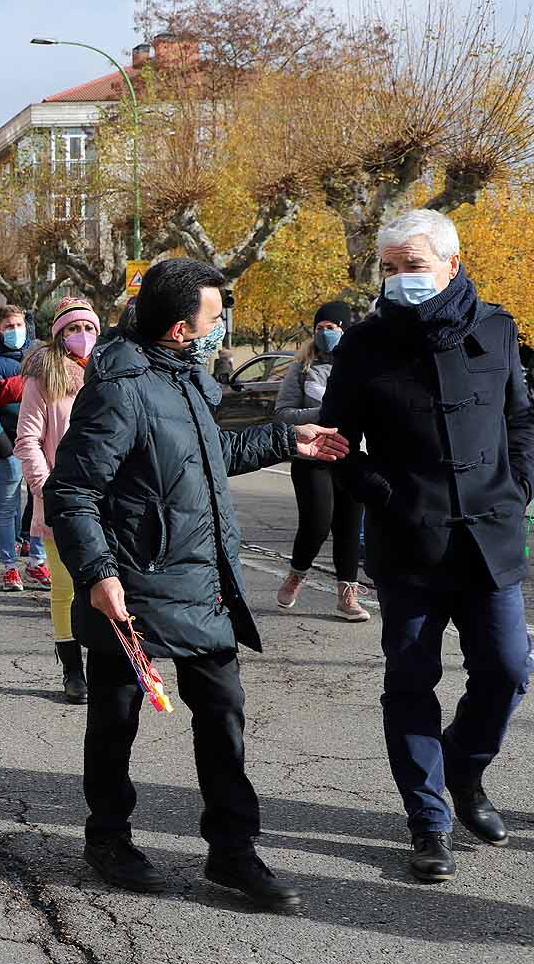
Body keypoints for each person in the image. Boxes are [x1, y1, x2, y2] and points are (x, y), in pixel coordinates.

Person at [45, 259, 348, 911]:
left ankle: (232, 851)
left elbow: (211, 456)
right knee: (115, 717)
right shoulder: (122, 388)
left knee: (222, 714)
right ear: (183, 328)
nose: (220, 331)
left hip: (202, 581)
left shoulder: (188, 381)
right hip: (132, 584)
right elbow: (69, 488)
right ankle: (108, 837)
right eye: (214, 321)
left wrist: (287, 439)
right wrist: (98, 575)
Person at [321, 208, 534, 883]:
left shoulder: (498, 330)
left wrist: (520, 485)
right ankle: (429, 820)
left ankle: (463, 770)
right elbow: (336, 445)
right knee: (411, 682)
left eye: (412, 266)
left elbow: (521, 417)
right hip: (408, 542)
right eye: (389, 268)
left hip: (489, 540)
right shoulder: (362, 346)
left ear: (451, 265)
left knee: (507, 668)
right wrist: (381, 491)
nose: (400, 279)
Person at [15, 298, 101, 704]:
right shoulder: (43, 380)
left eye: (88, 328)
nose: (81, 336)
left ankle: (108, 662)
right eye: (72, 329)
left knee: (106, 585)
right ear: (59, 335)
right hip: (60, 499)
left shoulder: (108, 374)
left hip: (106, 501)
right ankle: (73, 671)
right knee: (65, 588)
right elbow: (27, 440)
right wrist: (44, 486)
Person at [273, 301, 367, 621]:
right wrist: (322, 413)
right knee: (317, 523)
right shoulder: (302, 368)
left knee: (349, 527)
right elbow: (282, 414)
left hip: (352, 456)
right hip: (312, 456)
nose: (325, 333)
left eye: (332, 327)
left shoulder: (360, 367)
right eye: (320, 328)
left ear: (346, 330)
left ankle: (347, 594)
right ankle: (297, 573)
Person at [0, 305, 48, 591]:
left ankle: (37, 563)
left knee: (42, 505)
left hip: (40, 446)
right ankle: (9, 567)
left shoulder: (40, 360)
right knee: (7, 506)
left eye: (19, 325)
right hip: (9, 449)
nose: (15, 330)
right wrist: (3, 448)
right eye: (8, 326)